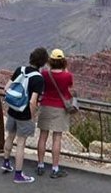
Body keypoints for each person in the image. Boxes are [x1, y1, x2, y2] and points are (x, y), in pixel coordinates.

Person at [2, 47, 48, 184]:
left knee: (10, 136)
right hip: (25, 114)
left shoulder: (19, 69)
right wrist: (32, 117)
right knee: (21, 143)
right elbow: (33, 101)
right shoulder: (38, 79)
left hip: (13, 110)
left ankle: (5, 162)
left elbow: (6, 88)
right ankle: (18, 174)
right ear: (43, 62)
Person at [35, 49, 74, 179]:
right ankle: (55, 168)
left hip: (46, 106)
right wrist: (65, 68)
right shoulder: (67, 76)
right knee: (57, 138)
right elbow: (70, 86)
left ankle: (40, 165)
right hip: (60, 109)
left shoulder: (45, 74)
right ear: (63, 61)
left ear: (50, 61)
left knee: (42, 136)